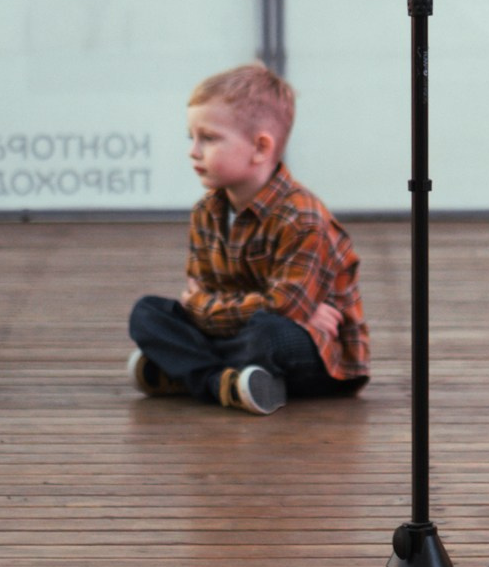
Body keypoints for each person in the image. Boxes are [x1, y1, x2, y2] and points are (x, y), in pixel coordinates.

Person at [125, 63, 368, 415]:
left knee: (269, 332)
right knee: (146, 313)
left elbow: (278, 308)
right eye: (191, 137)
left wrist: (212, 310)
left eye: (208, 138)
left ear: (260, 148)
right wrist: (211, 308)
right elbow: (199, 298)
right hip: (244, 332)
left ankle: (187, 372)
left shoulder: (302, 217)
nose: (193, 151)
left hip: (318, 359)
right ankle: (224, 383)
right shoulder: (206, 212)